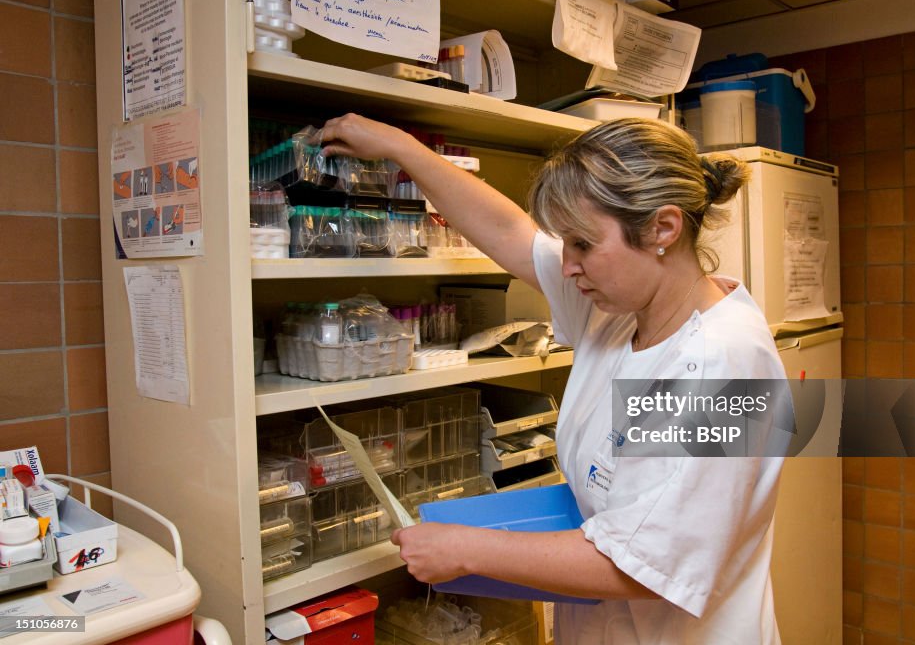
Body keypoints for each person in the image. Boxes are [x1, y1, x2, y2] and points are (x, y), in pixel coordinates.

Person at [320, 114, 787, 644]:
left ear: (663, 228)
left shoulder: (721, 365)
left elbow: (640, 565)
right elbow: (507, 230)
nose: (567, 265)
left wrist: (463, 549)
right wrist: (398, 145)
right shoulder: (620, 309)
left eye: (583, 244)